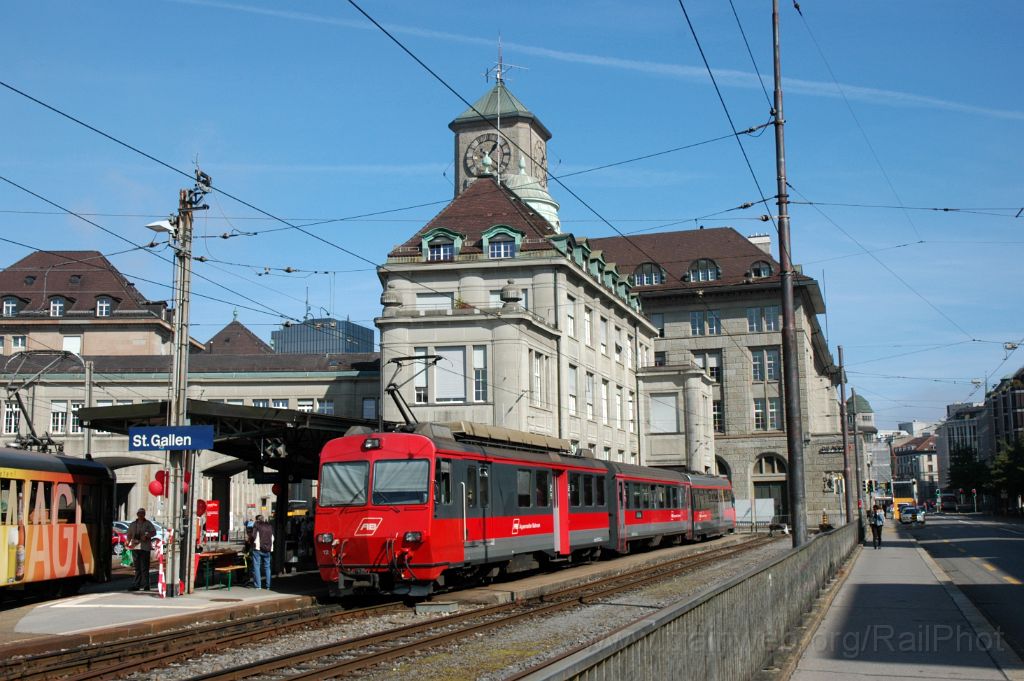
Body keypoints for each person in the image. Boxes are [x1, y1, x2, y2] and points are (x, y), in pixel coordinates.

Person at [125, 508, 157, 591]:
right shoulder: (133, 524)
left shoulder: (148, 523)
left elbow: (154, 532)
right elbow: (129, 535)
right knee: (137, 568)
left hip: (145, 548)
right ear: (137, 514)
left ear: (144, 514)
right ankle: (136, 585)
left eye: (142, 513)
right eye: (139, 513)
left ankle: (146, 585)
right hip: (135, 548)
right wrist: (127, 542)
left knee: (145, 568)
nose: (141, 515)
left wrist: (147, 535)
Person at [250, 514, 274, 589]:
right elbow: (273, 537)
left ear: (257, 520)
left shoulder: (256, 525)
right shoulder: (269, 526)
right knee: (267, 567)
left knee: (257, 566)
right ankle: (268, 586)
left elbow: (253, 536)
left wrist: (251, 543)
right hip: (268, 549)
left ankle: (258, 586)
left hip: (258, 548)